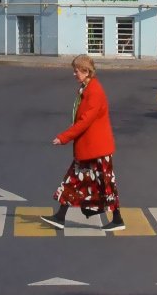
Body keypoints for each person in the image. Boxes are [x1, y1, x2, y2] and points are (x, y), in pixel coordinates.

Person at [47, 55, 122, 231]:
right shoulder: (86, 88)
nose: (74, 74)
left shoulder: (94, 91)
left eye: (77, 71)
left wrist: (64, 137)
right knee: (74, 180)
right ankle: (60, 217)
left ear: (86, 71)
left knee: (105, 184)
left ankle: (117, 219)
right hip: (89, 148)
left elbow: (84, 121)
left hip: (98, 149)